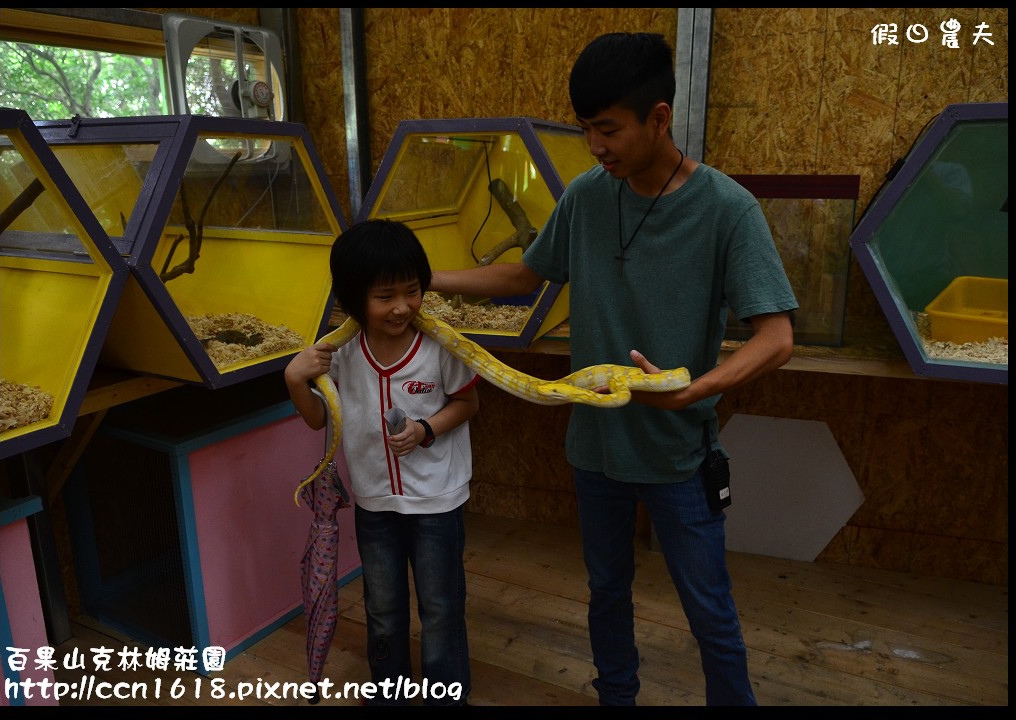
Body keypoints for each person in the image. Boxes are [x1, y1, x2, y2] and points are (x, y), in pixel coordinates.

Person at [430, 32, 797, 706]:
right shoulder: (587, 198)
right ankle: (616, 696)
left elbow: (775, 338)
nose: (596, 147)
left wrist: (693, 391)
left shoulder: (727, 210)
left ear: (660, 118)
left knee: (708, 609)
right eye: (586, 130)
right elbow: (525, 270)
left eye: (608, 130)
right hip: (595, 449)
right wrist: (423, 279)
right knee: (606, 592)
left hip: (679, 454)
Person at [285, 219, 479, 706]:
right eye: (384, 296)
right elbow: (317, 421)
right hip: (375, 503)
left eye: (412, 291)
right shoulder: (341, 352)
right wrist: (294, 381)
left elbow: (467, 403)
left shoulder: (442, 343)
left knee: (439, 607)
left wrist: (426, 429)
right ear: (352, 300)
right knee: (383, 607)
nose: (401, 307)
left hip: (437, 499)